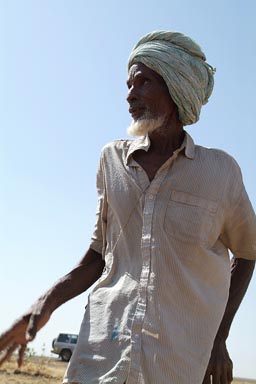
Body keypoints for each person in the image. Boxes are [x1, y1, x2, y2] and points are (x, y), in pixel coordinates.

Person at [0, 30, 255, 384]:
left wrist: (220, 336)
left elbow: (246, 251)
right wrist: (43, 304)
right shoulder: (111, 160)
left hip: (176, 363)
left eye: (143, 82)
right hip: (100, 352)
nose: (130, 94)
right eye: (129, 84)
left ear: (176, 87)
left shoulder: (220, 172)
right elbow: (98, 256)